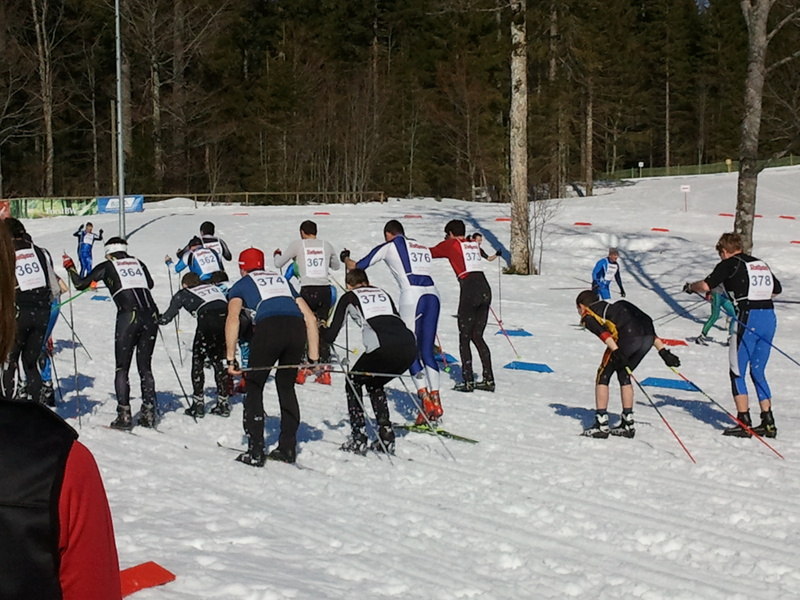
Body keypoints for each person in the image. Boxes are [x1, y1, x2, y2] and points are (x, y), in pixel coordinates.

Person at [0, 220, 122, 599]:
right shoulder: (66, 465)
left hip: (22, 310)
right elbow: (60, 287)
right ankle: (29, 406)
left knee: (15, 364)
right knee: (31, 363)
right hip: (41, 311)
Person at [225, 248, 320, 466]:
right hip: (296, 328)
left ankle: (255, 450)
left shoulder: (241, 284)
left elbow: (233, 318)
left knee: (254, 385)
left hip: (269, 328)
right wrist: (313, 358)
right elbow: (310, 318)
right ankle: (287, 448)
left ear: (242, 268)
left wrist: (230, 358)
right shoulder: (282, 281)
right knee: (286, 386)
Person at [342, 219, 443, 425]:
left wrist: (345, 258)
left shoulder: (390, 245)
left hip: (412, 295)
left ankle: (425, 401)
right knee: (427, 350)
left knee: (409, 346)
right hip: (433, 294)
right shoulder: (419, 245)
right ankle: (436, 400)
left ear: (388, 234)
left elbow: (359, 267)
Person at [684, 232, 782, 438]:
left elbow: (706, 285)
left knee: (737, 371)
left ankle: (743, 421)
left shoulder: (729, 264)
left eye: (720, 253)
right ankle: (768, 421)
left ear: (724, 251)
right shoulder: (759, 263)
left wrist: (691, 287)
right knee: (758, 370)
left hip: (748, 318)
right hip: (769, 318)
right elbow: (776, 289)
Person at [64, 237, 160, 430]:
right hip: (151, 315)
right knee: (145, 366)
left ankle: (124, 415)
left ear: (108, 252)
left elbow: (80, 284)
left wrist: (70, 267)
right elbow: (149, 284)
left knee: (122, 368)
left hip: (129, 315)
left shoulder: (108, 265)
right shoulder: (138, 262)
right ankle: (149, 412)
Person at [321, 268, 416, 455]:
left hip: (383, 346)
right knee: (374, 382)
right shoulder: (383, 293)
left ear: (349, 285)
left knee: (352, 381)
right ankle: (386, 433)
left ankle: (359, 436)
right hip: (409, 345)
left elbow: (331, 335)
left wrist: (321, 328)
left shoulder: (349, 297)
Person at [576, 289, 680, 438]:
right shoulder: (613, 306)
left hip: (629, 338)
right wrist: (663, 352)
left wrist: (616, 351)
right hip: (648, 337)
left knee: (603, 374)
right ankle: (627, 423)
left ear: (582, 306)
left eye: (578, 310)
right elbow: (643, 325)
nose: (579, 313)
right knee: (624, 374)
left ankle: (601, 424)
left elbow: (603, 334)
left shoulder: (588, 314)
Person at [430, 219, 495, 392]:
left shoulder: (451, 243)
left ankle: (467, 380)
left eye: (446, 235)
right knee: (478, 336)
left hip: (470, 289)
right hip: (485, 288)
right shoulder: (472, 244)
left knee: (464, 337)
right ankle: (488, 379)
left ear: (451, 233)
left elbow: (430, 252)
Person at [2, 218, 61, 404]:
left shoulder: (6, 252)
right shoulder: (41, 252)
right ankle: (36, 406)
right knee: (30, 362)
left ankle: (8, 408)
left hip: (18, 312)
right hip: (42, 312)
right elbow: (55, 287)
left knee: (10, 361)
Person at [273, 219, 341, 382]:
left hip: (308, 290)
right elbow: (336, 266)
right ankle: (324, 369)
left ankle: (304, 366)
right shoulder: (326, 245)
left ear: (302, 232)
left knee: (305, 327)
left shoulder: (298, 244)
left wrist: (277, 254)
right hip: (325, 291)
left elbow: (278, 263)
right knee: (321, 326)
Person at [158, 272, 231, 418]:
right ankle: (223, 403)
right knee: (219, 362)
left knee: (198, 361)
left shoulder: (184, 293)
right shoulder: (212, 287)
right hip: (226, 321)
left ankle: (198, 405)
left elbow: (166, 318)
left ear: (185, 285)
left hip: (207, 322)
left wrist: (156, 318)